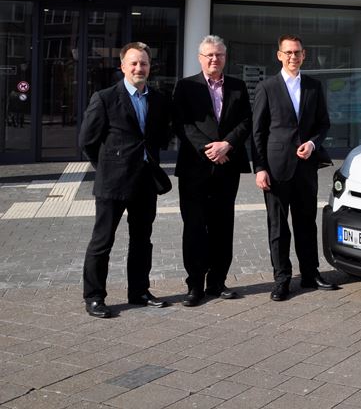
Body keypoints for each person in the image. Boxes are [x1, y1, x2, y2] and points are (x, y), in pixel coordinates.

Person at [80, 42, 172, 318]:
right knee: (102, 241)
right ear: (122, 67)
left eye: (143, 63)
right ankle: (94, 296)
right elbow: (87, 141)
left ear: (149, 67)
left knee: (142, 240)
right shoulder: (105, 97)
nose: (138, 68)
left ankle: (139, 291)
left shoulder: (157, 99)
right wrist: (108, 166)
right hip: (113, 183)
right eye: (133, 63)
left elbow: (160, 136)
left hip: (145, 182)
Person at [252, 34, 335, 301]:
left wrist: (312, 143)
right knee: (278, 226)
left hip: (306, 167)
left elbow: (323, 124)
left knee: (306, 223)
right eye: (287, 52)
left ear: (304, 55)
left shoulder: (313, 86)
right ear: (279, 55)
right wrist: (260, 168)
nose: (292, 57)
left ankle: (310, 274)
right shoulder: (267, 87)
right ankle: (282, 279)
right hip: (276, 169)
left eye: (297, 52)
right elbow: (258, 132)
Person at [172, 35, 252, 306]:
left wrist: (227, 145)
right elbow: (181, 124)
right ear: (200, 58)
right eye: (209, 55)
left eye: (218, 55)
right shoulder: (185, 87)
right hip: (195, 168)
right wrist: (210, 149)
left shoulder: (238, 87)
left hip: (227, 167)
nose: (214, 59)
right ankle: (194, 285)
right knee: (194, 228)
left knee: (222, 227)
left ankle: (217, 282)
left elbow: (246, 122)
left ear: (225, 58)